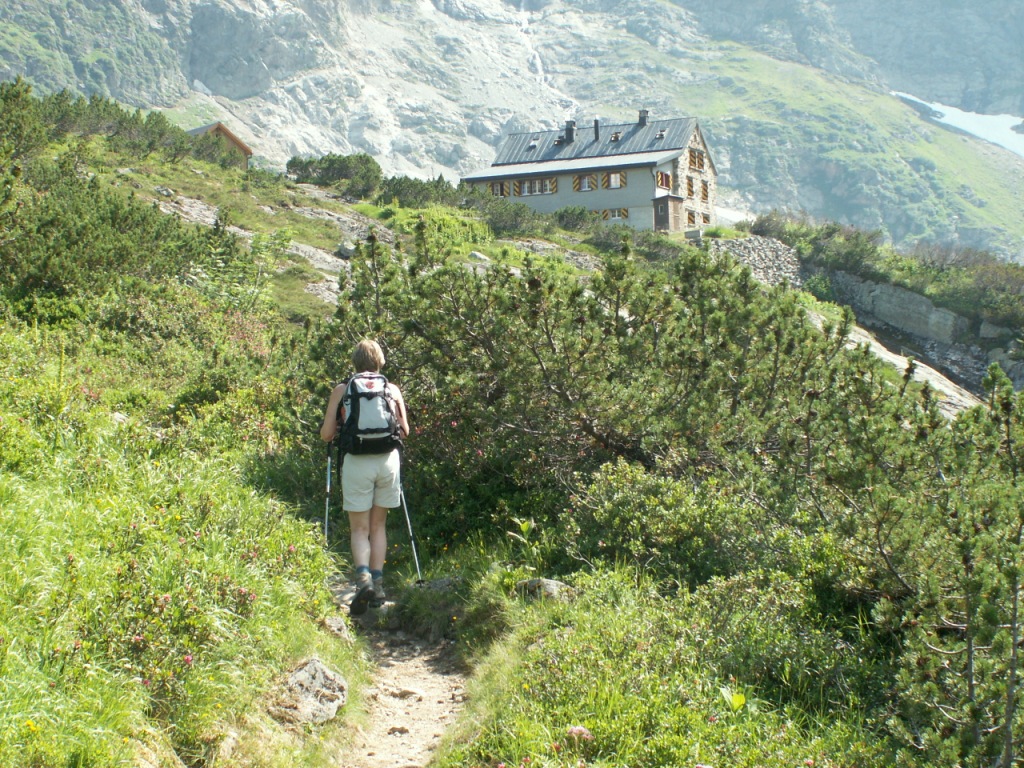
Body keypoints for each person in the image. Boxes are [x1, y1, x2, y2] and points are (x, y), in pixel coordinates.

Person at [321, 339, 409, 615]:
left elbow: (326, 434)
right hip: (387, 462)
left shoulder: (342, 389)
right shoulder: (391, 389)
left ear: (355, 361)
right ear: (380, 361)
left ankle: (363, 581)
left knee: (359, 529)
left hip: (357, 462)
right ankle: (378, 587)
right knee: (378, 526)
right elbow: (405, 430)